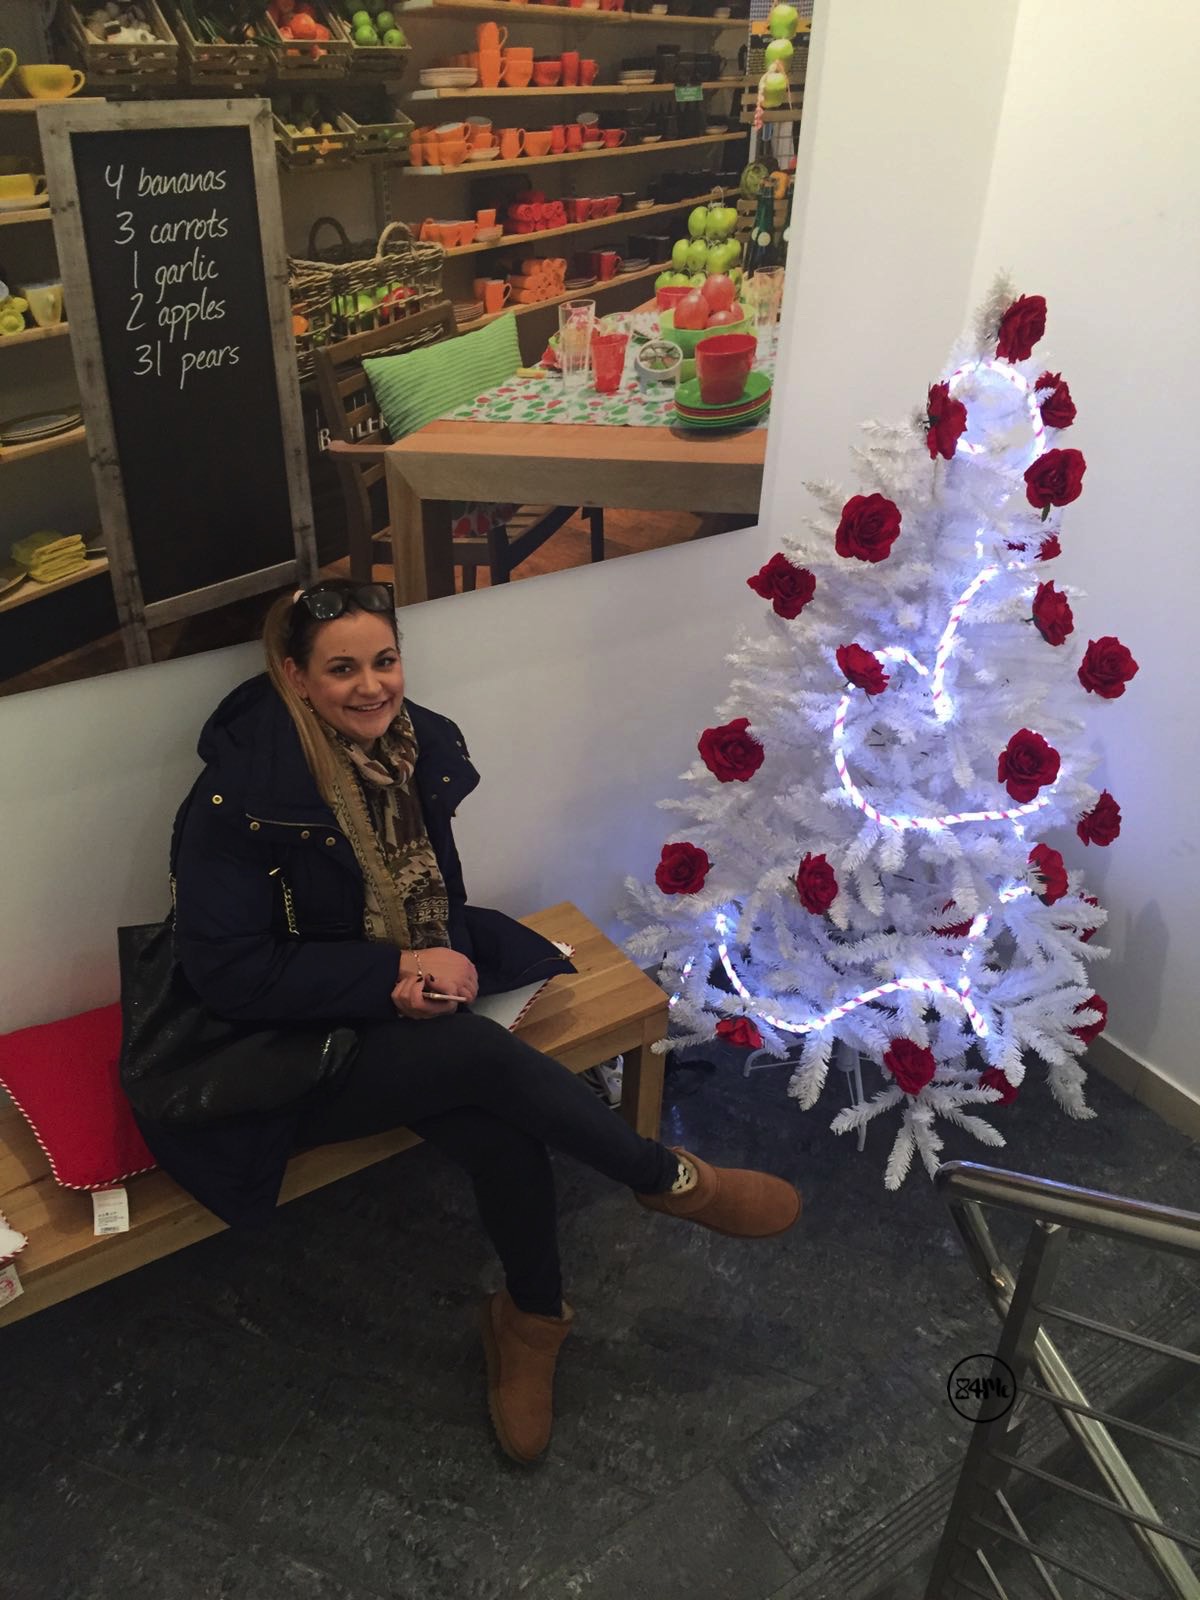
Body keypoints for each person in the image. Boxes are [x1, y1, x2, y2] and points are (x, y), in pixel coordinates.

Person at [131, 579, 801, 1465]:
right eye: (341, 669)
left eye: (384, 660)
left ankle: (533, 1318)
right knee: (479, 1062)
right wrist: (393, 975)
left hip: (380, 1006)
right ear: (294, 676)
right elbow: (231, 974)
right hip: (275, 1043)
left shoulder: (411, 751)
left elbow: (435, 895)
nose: (372, 686)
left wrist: (422, 965)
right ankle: (663, 1178)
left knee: (498, 1124)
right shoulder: (240, 797)